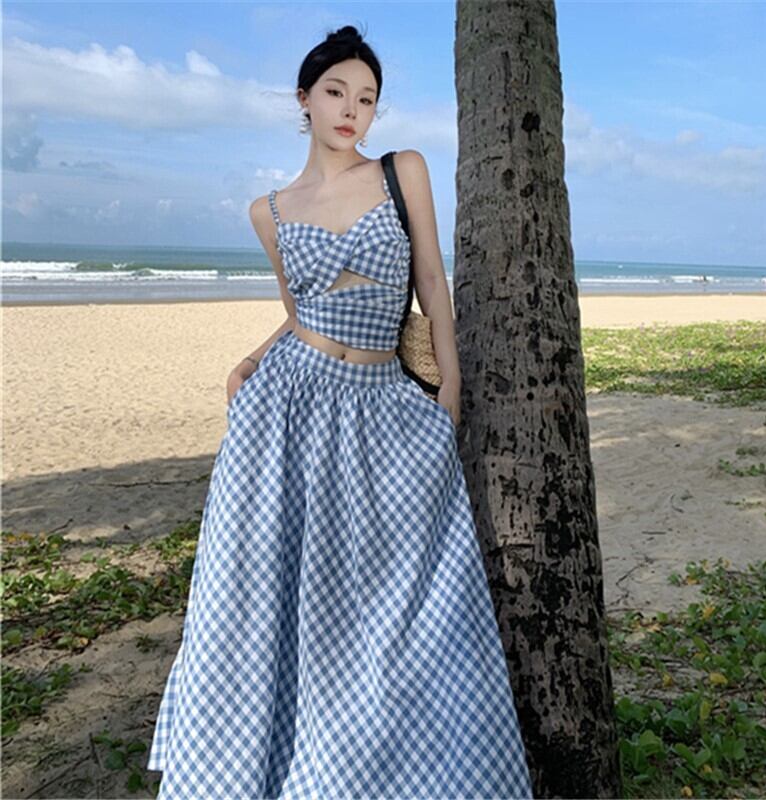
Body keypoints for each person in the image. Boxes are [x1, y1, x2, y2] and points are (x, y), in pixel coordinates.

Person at [146, 24, 534, 800]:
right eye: (336, 92)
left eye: (366, 98)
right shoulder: (269, 211)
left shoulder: (402, 170)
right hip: (289, 411)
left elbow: (432, 280)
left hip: (384, 402)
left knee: (401, 603)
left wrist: (450, 389)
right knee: (273, 595)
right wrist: (253, 357)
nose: (352, 110)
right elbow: (301, 312)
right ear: (305, 99)